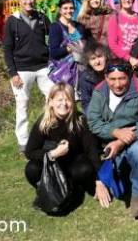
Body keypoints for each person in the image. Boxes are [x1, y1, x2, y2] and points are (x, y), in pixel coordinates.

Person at [25, 83, 112, 211]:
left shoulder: (81, 121)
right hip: (53, 163)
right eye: (59, 100)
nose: (64, 104)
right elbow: (30, 152)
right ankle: (46, 190)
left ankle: (74, 187)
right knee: (31, 169)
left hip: (75, 164)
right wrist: (53, 154)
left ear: (73, 102)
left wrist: (99, 181)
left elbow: (92, 151)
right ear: (51, 102)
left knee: (85, 169)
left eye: (68, 100)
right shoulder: (43, 123)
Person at [86, 58, 138, 200]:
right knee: (119, 192)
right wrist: (115, 132)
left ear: (129, 76)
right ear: (105, 77)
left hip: (136, 137)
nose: (117, 84)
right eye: (112, 79)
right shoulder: (99, 92)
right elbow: (93, 122)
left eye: (122, 78)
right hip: (109, 140)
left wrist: (121, 142)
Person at [3, 0, 53, 153]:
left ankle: (51, 132)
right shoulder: (12, 21)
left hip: (43, 67)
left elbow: (54, 36)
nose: (28, 1)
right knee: (22, 104)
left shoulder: (42, 18)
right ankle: (23, 141)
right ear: (19, 0)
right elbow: (7, 49)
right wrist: (13, 73)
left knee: (54, 99)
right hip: (22, 70)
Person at [48, 0, 86, 87]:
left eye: (71, 8)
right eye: (65, 8)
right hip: (62, 71)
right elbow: (54, 52)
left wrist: (73, 31)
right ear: (60, 10)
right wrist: (69, 49)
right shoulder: (56, 27)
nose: (69, 11)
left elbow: (82, 46)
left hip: (79, 69)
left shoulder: (78, 26)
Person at [77, 41, 109, 114]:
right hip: (98, 114)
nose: (97, 61)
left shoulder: (114, 72)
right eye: (93, 58)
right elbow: (86, 104)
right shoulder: (85, 79)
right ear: (88, 62)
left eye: (100, 56)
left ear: (106, 56)